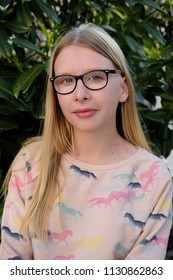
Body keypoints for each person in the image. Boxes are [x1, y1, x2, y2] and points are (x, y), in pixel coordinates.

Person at [0, 23, 172, 260]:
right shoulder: (31, 163)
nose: (80, 94)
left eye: (95, 77)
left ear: (123, 88)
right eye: (66, 81)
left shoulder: (153, 177)